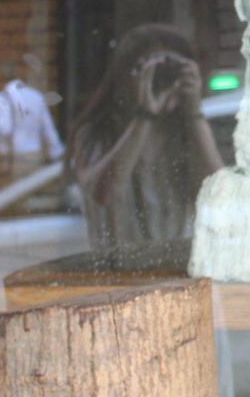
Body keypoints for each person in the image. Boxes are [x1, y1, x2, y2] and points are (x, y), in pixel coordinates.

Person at [66, 23, 225, 248]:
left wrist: (194, 113)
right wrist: (145, 115)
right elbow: (103, 194)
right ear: (125, 76)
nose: (162, 78)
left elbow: (219, 195)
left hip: (178, 266)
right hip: (117, 267)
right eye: (151, 70)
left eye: (172, 69)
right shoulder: (97, 133)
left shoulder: (188, 133)